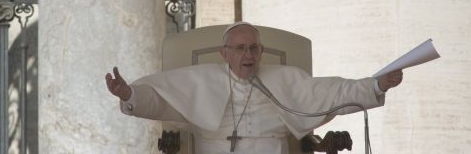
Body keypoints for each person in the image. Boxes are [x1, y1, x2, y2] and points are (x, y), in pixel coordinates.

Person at [106, 22, 403, 154]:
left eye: (254, 48)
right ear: (224, 54)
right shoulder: (198, 79)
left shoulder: (284, 79)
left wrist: (376, 85)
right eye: (240, 49)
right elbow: (159, 98)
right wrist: (128, 94)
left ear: (261, 51)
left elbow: (334, 92)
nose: (248, 55)